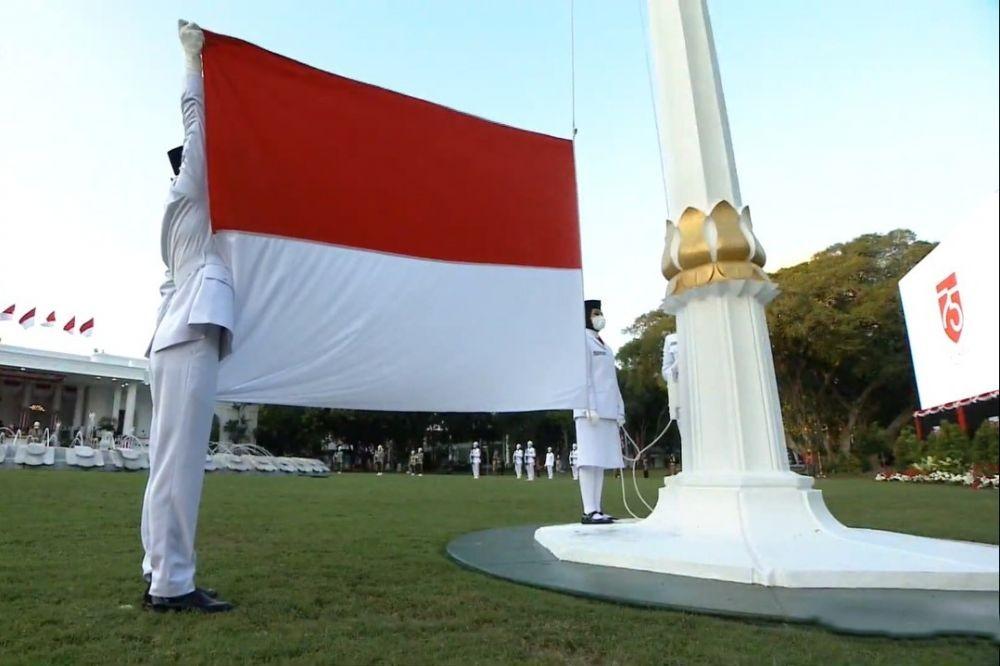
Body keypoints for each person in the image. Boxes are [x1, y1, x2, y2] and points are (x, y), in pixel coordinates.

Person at [140, 20, 235, 614]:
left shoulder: (175, 214)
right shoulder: (194, 190)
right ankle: (172, 582)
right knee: (179, 466)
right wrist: (193, 63)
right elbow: (195, 120)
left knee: (164, 460)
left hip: (173, 329)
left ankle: (159, 569)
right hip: (190, 327)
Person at [574, 299, 625, 525]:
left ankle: (597, 508)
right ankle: (588, 509)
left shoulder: (605, 345)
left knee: (600, 460)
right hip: (589, 411)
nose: (600, 317)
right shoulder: (581, 341)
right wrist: (588, 406)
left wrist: (619, 409)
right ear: (586, 316)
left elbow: (612, 381)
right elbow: (582, 377)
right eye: (595, 313)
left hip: (607, 410)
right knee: (589, 459)